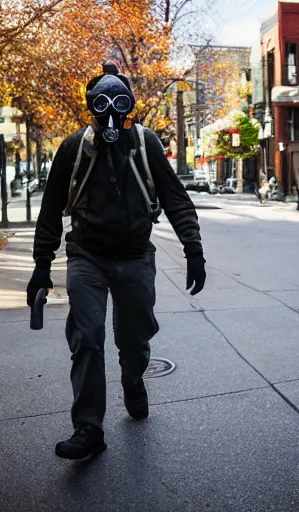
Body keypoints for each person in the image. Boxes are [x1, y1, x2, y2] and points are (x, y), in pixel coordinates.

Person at [26, 63, 206, 460]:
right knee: (86, 338)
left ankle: (133, 378)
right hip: (86, 256)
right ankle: (88, 427)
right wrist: (42, 265)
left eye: (119, 103)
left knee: (134, 338)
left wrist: (194, 249)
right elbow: (52, 207)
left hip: (135, 255)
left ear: (130, 107)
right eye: (101, 104)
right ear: (90, 106)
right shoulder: (74, 147)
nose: (111, 113)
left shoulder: (146, 144)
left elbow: (175, 197)